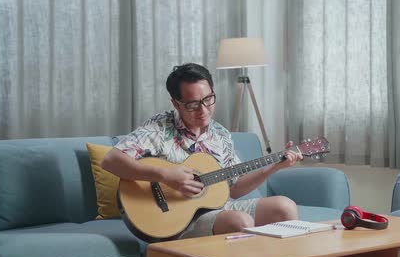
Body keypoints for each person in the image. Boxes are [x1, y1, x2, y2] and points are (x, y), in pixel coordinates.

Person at [101, 63, 302, 239]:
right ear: (176, 104)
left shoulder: (220, 134)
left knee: (284, 207)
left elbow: (236, 187)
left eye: (208, 99)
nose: (204, 110)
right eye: (193, 104)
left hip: (219, 210)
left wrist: (274, 167)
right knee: (240, 222)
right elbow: (111, 160)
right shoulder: (160, 128)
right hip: (174, 218)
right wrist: (166, 175)